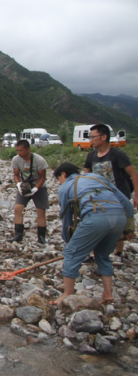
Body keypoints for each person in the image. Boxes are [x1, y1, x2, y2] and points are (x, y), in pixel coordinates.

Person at [52, 162, 134, 305]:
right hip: (119, 217)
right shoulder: (97, 177)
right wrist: (129, 228)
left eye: (58, 179)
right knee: (102, 255)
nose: (59, 183)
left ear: (63, 174)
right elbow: (125, 201)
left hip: (96, 217)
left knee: (71, 253)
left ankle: (67, 293)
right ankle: (108, 294)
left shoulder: (65, 187)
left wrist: (69, 243)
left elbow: (67, 219)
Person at [83, 124, 138, 259]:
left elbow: (133, 174)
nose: (90, 140)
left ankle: (118, 251)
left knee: (120, 225)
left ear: (103, 137)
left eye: (92, 137)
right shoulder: (91, 156)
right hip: (99, 197)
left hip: (119, 196)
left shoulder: (117, 154)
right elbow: (86, 177)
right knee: (99, 223)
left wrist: (137, 195)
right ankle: (95, 252)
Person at [10, 139, 49, 243]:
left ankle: (41, 237)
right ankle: (18, 235)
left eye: (21, 150)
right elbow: (16, 175)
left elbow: (43, 177)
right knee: (17, 209)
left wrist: (36, 188)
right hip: (25, 186)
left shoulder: (39, 160)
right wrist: (18, 185)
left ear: (28, 149)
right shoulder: (16, 160)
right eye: (17, 150)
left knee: (41, 211)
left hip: (39, 187)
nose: (19, 153)